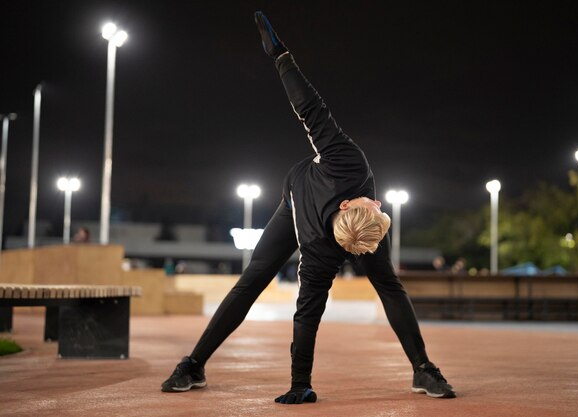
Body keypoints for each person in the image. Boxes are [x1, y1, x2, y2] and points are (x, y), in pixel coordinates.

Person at [161, 11, 455, 403]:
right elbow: (309, 108)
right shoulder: (347, 164)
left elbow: (307, 311)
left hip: (335, 228)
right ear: (350, 203)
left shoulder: (343, 234)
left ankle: (423, 369)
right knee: (254, 279)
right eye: (378, 205)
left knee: (386, 283)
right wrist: (281, 57)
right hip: (295, 200)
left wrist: (301, 384)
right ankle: (193, 364)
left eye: (377, 207)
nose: (380, 200)